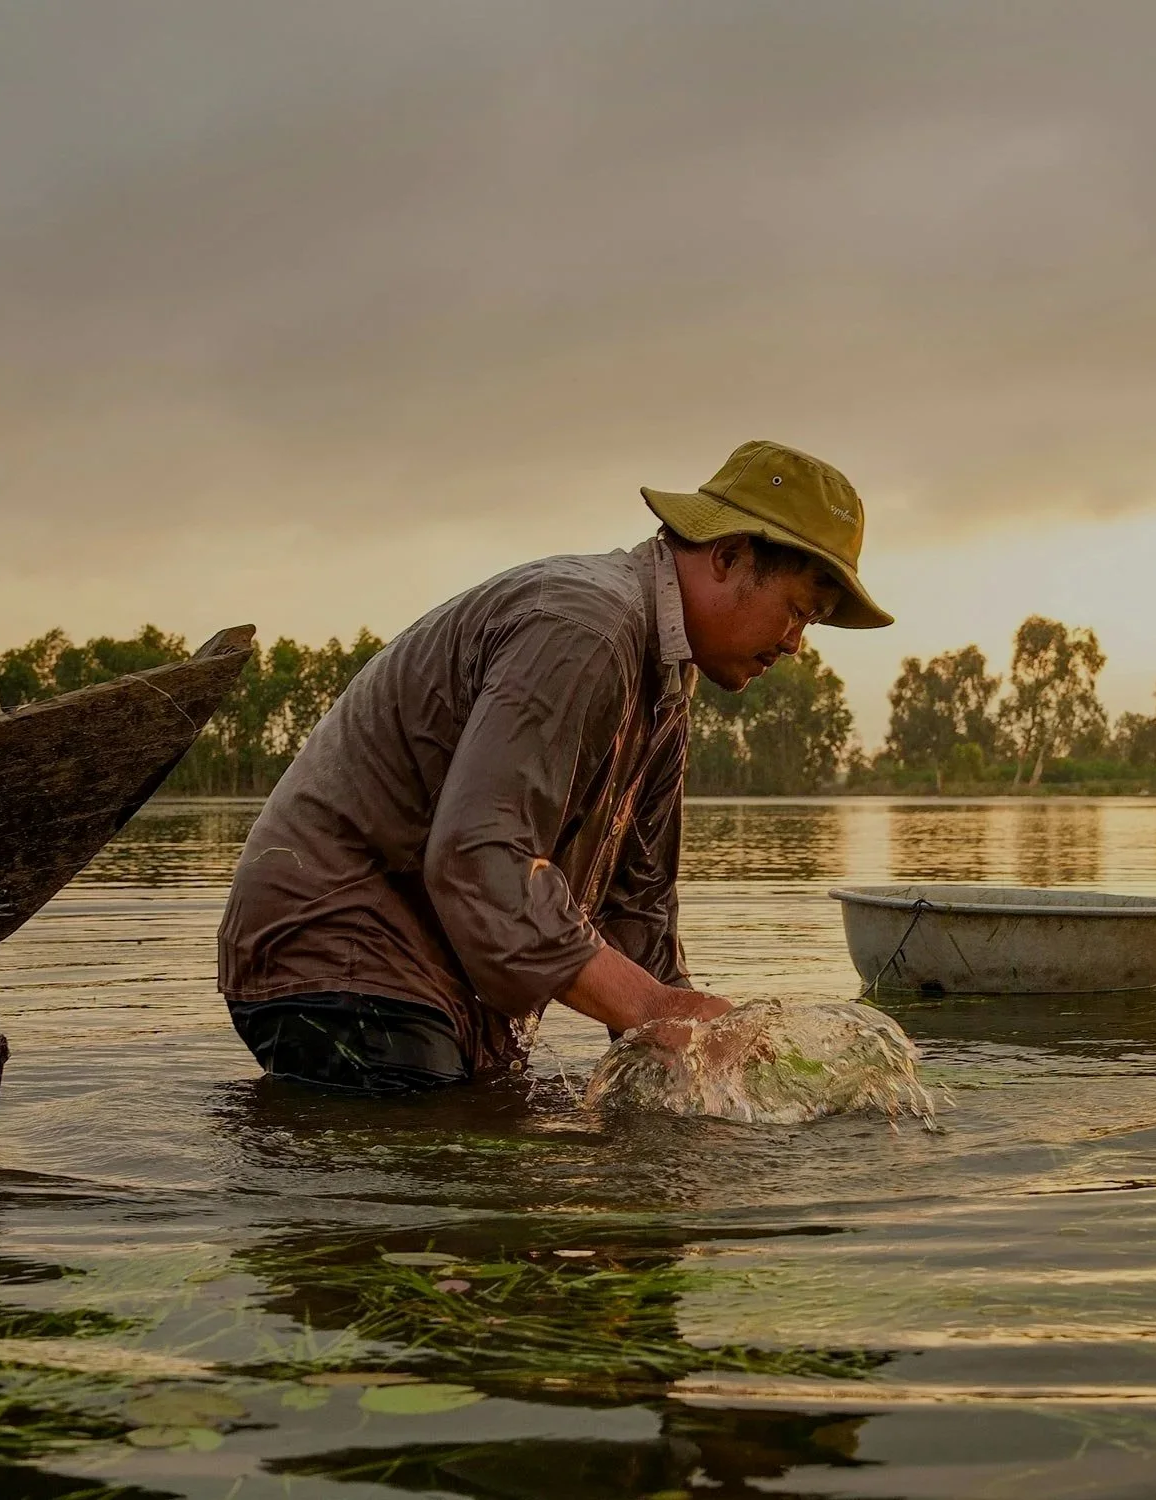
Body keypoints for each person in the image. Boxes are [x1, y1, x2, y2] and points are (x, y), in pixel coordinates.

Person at [217, 439, 893, 1094]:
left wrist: (701, 1057)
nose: (798, 643)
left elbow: (639, 906)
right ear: (729, 555)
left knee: (507, 1143)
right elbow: (479, 856)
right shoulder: (584, 626)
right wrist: (653, 1005)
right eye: (799, 610)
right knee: (446, 1177)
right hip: (341, 953)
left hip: (439, 974)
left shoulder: (666, 681)